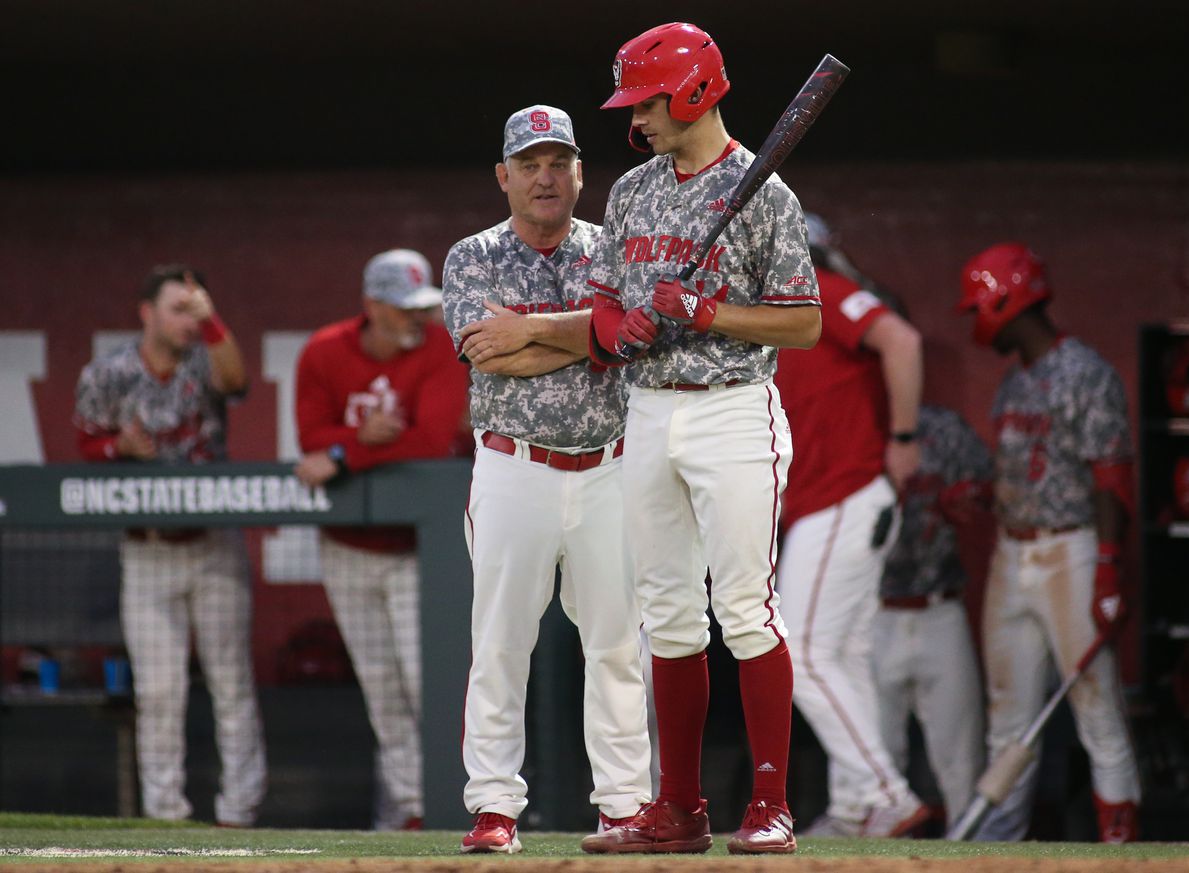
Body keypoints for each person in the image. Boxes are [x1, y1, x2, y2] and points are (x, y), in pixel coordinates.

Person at [582, 23, 820, 856]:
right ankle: (678, 807)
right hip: (647, 407)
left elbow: (804, 322)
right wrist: (625, 327)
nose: (637, 118)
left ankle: (770, 803)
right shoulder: (631, 191)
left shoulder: (765, 193)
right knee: (669, 617)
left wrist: (705, 310)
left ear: (688, 92)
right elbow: (607, 301)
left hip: (731, 406)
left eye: (646, 100)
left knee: (746, 609)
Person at [442, 104, 652, 854]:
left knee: (618, 644)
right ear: (504, 176)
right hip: (513, 463)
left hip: (609, 465)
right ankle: (494, 805)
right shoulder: (471, 256)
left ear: (579, 172)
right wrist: (582, 335)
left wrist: (528, 326)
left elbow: (624, 339)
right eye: (529, 163)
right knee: (499, 641)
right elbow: (485, 354)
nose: (544, 176)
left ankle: (625, 804)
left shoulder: (612, 247)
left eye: (558, 161)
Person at [955, 241, 1140, 842]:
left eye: (980, 305)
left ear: (1008, 299)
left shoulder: (1083, 371)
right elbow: (1030, 471)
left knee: (1096, 707)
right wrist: (984, 496)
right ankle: (996, 851)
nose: (976, 319)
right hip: (1013, 552)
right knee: (1008, 720)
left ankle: (1123, 846)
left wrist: (1108, 568)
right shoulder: (1015, 382)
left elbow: (1111, 477)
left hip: (1072, 551)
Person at [73, 264, 266, 826]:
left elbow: (236, 383)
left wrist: (213, 323)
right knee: (158, 692)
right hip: (147, 548)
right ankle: (164, 816)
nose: (189, 320)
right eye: (179, 309)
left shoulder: (207, 357)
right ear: (147, 312)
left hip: (213, 545)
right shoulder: (108, 372)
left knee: (231, 683)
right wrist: (118, 449)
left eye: (196, 308)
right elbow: (84, 443)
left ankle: (241, 812)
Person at [292, 248, 469, 830]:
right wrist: (350, 440)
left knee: (428, 688)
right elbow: (308, 439)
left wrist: (347, 451)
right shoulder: (324, 350)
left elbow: (431, 441)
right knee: (381, 692)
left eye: (423, 308)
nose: (417, 319)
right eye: (403, 310)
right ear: (371, 306)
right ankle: (407, 812)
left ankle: (447, 805)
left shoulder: (441, 347)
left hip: (418, 552)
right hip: (348, 547)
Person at [772, 212, 932, 838]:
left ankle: (886, 794)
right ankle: (852, 808)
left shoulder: (823, 292)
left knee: (800, 654)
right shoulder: (781, 315)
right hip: (831, 500)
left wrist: (904, 437)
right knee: (843, 655)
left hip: (847, 492)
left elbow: (904, 341)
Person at [871, 402, 990, 833]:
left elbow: (991, 487)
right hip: (872, 613)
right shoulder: (856, 424)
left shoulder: (943, 425)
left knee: (962, 767)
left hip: (939, 607)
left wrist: (970, 498)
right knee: (873, 769)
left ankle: (969, 859)